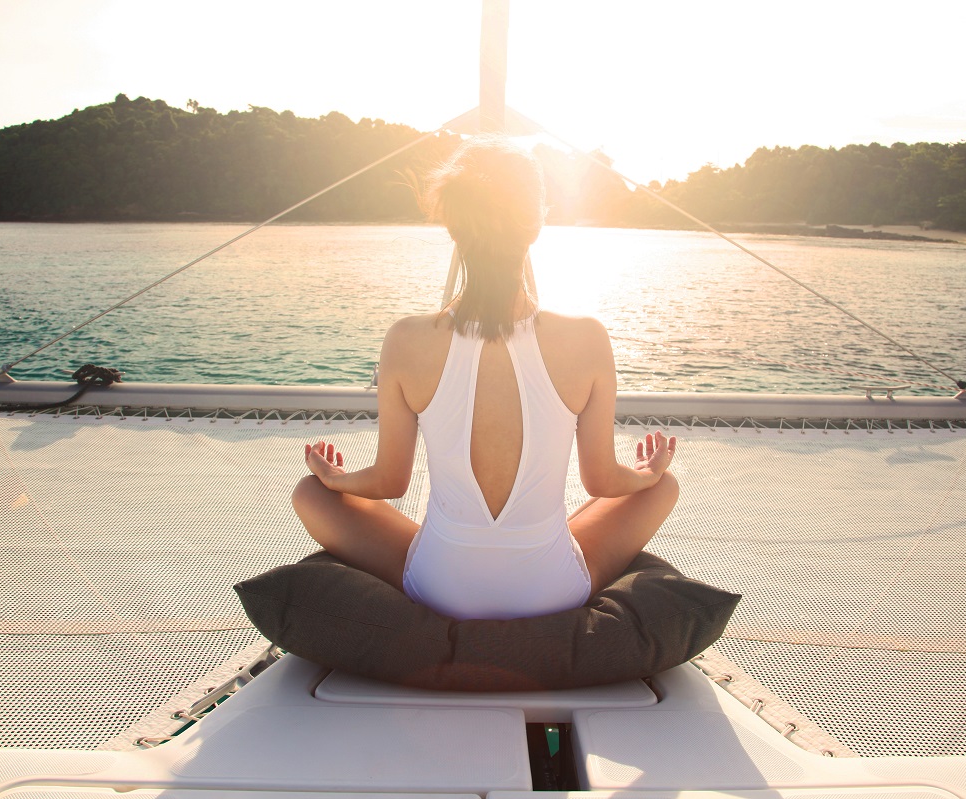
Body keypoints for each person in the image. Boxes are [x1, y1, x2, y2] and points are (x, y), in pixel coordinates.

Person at [291, 136, 678, 620]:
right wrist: (648, 474)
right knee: (663, 488)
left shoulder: (407, 339)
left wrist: (336, 477)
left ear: (454, 225)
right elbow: (600, 478)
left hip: (441, 585)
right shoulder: (586, 337)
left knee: (310, 493)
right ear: (535, 223)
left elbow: (390, 481)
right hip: (551, 588)